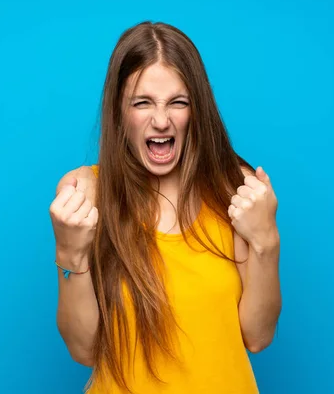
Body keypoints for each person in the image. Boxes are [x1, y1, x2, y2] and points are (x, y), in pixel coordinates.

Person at [49, 21, 282, 394]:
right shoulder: (87, 194)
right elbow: (84, 349)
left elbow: (257, 335)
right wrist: (70, 253)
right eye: (142, 103)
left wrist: (267, 242)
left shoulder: (232, 191)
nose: (161, 120)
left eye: (178, 102)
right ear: (119, 113)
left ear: (197, 110)